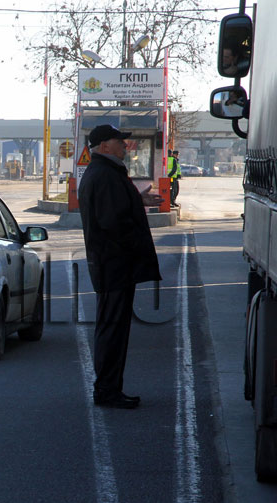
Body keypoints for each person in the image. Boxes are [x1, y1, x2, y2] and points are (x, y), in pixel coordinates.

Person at [78, 124, 163, 409]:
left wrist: (137, 202)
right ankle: (107, 390)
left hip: (113, 266)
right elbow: (112, 221)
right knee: (112, 330)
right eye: (120, 142)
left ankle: (109, 388)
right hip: (114, 266)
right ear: (104, 146)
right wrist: (133, 247)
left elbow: (113, 210)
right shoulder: (104, 175)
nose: (126, 146)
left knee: (113, 329)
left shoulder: (106, 173)